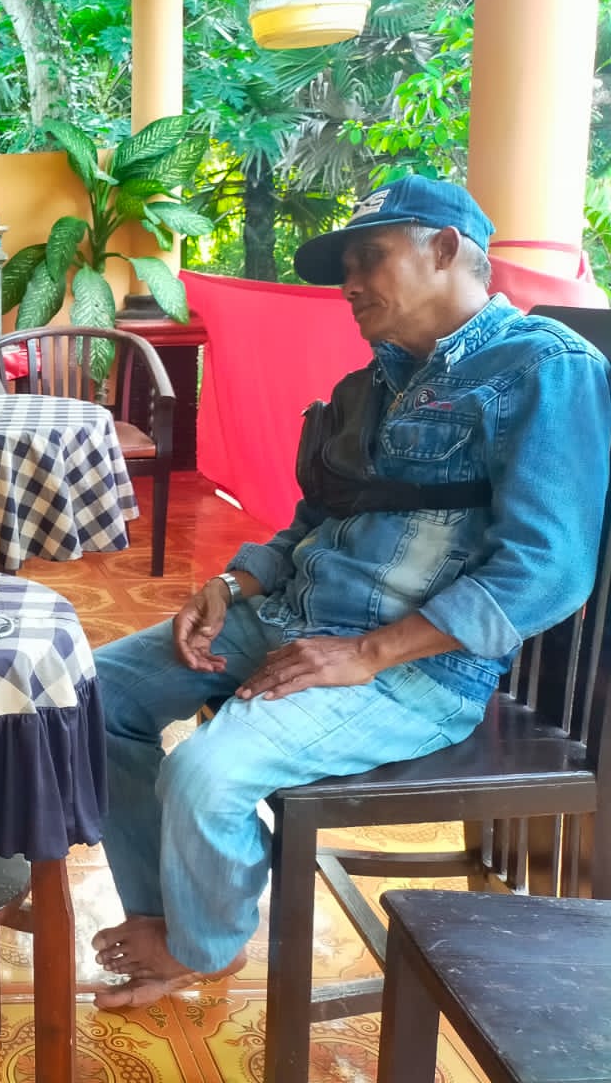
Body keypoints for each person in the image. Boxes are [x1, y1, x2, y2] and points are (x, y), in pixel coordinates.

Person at [88, 175, 611, 1009]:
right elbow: (315, 518)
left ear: (446, 250)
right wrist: (230, 582)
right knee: (91, 695)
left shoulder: (546, 369)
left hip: (414, 669)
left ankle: (202, 946)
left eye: (370, 257)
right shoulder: (372, 384)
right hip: (286, 617)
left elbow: (546, 570)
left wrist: (366, 653)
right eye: (346, 268)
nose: (350, 284)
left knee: (204, 777)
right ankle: (166, 912)